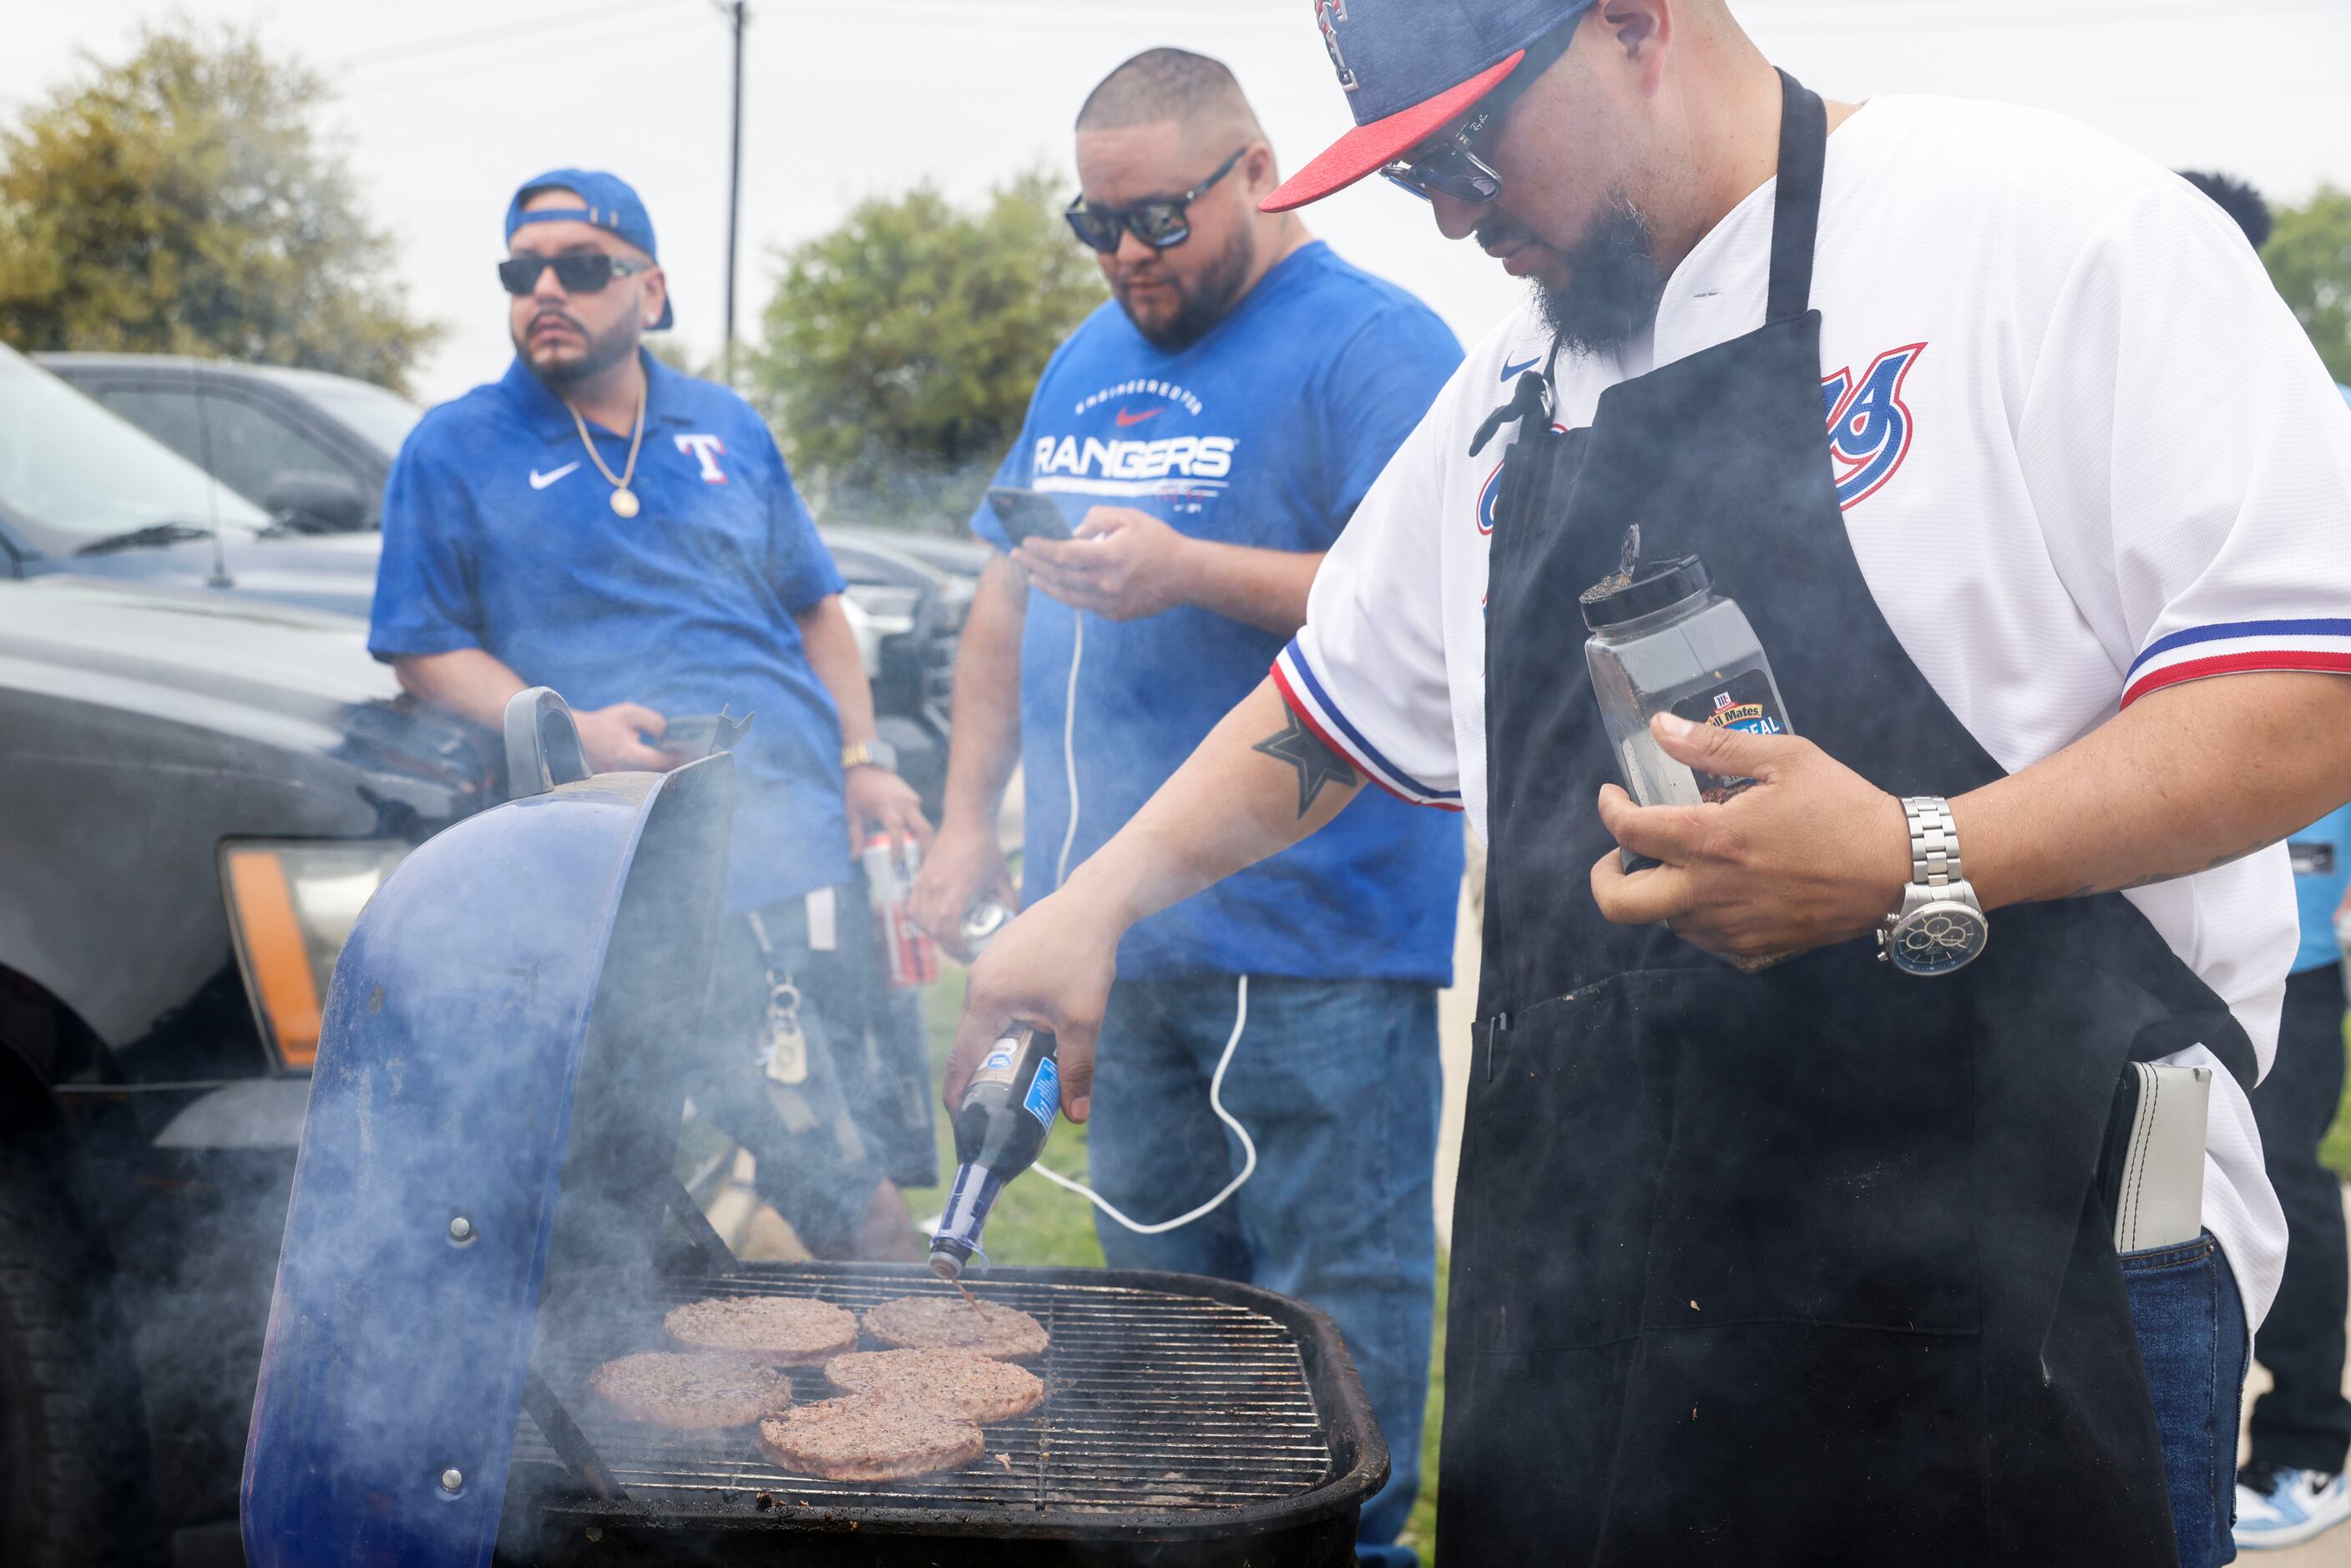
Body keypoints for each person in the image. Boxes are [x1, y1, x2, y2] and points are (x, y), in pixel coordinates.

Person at [948, 4, 2351, 1564]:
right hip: (1594, 1294)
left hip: (2025, 1285)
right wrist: (1090, 905)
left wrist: (1914, 849)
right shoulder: (1505, 391)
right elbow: (1328, 708)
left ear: (1632, 24)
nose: (1459, 212)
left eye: (1472, 145)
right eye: (1416, 175)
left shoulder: (2047, 237)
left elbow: (2307, 683)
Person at [907, 49, 1464, 1567]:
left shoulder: (1376, 344)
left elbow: (1426, 608)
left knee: (1328, 1319)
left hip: (1320, 937)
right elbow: (1000, 608)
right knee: (1149, 1313)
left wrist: (1189, 569)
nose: (1131, 256)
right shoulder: (1087, 356)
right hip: (1112, 941)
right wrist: (969, 825)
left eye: (1160, 217)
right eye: (1096, 224)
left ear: (1258, 169)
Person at [370, 169, 938, 1262]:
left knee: (860, 1144)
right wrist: (565, 725)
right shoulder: (457, 444)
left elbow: (819, 610)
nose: (546, 289)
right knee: (828, 1195)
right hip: (640, 874)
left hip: (805, 850)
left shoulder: (726, 426)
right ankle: (912, 1382)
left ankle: (874, 1388)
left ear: (652, 289)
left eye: (581, 268)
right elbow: (418, 646)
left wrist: (864, 759)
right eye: (521, 271)